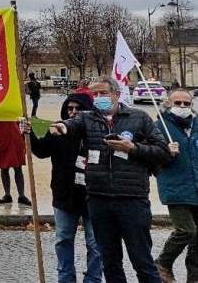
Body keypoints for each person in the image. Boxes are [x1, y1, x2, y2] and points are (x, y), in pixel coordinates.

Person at [50, 75, 171, 283]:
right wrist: (62, 126)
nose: (98, 98)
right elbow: (72, 124)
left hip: (132, 199)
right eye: (95, 94)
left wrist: (133, 148)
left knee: (142, 260)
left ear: (116, 94)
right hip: (99, 200)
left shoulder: (139, 117)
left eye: (103, 93)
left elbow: (163, 151)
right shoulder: (88, 118)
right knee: (110, 262)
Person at [23, 93, 102, 283]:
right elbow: (41, 151)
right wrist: (28, 133)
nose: (73, 112)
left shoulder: (97, 131)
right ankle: (65, 278)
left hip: (94, 196)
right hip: (64, 195)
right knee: (63, 239)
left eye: (77, 109)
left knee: (96, 244)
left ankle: (93, 279)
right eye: (70, 108)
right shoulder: (58, 130)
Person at [155, 89, 198, 282]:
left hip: (196, 188)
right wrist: (165, 153)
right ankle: (163, 263)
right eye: (177, 103)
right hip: (176, 188)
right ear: (168, 104)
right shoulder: (159, 127)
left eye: (186, 104)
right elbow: (150, 158)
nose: (182, 107)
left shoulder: (196, 126)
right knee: (186, 230)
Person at [0, 120, 31, 205]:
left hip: (16, 142)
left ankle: (21, 195)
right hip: (2, 143)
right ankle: (7, 194)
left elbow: (21, 121)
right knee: (4, 168)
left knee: (18, 168)